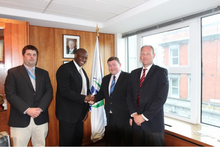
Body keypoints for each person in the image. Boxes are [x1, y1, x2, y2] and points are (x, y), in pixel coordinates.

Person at [4, 45, 53, 146]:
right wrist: (27, 109)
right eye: (29, 54)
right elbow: (10, 94)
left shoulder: (44, 73)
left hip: (40, 118)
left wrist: (40, 108)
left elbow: (49, 92)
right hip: (20, 119)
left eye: (34, 54)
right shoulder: (13, 73)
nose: (32, 57)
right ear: (23, 56)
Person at [127, 45, 169, 146]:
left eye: (147, 53)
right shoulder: (133, 73)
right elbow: (129, 96)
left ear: (153, 55)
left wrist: (144, 117)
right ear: (140, 56)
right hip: (136, 123)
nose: (145, 56)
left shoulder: (161, 72)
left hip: (153, 123)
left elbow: (161, 99)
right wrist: (133, 115)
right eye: (142, 54)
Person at [56, 48, 94, 146]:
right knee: (66, 142)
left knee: (77, 141)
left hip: (79, 114)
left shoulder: (82, 72)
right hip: (67, 115)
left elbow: (84, 91)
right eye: (82, 56)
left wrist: (85, 111)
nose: (84, 59)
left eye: (86, 58)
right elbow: (64, 92)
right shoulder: (64, 69)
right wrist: (85, 98)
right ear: (75, 56)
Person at [94, 57, 133, 146]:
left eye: (114, 65)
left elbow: (132, 98)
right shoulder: (105, 79)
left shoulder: (129, 77)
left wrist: (132, 116)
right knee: (113, 142)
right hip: (110, 117)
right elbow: (101, 94)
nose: (112, 67)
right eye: (109, 65)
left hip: (125, 118)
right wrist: (93, 99)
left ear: (120, 65)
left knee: (128, 142)